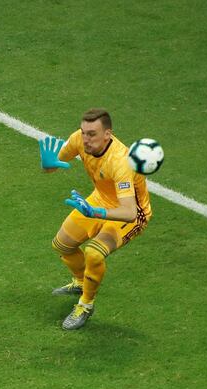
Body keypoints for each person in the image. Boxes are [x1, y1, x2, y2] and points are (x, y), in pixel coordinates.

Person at [38, 108, 152, 329]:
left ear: (107, 134)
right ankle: (82, 282)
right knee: (62, 245)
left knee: (94, 252)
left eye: (92, 134)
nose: (85, 139)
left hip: (131, 213)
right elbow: (53, 166)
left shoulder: (121, 161)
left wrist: (95, 213)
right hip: (99, 201)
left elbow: (128, 212)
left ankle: (86, 305)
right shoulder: (78, 140)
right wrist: (47, 164)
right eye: (83, 132)